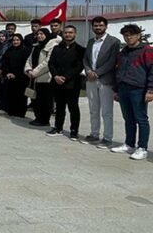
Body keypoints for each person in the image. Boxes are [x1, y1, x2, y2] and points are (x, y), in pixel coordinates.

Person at [110, 24, 152, 160]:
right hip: (123, 89)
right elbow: (118, 70)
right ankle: (129, 144)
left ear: (138, 35)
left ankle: (142, 148)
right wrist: (116, 90)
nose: (128, 38)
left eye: (131, 35)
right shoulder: (123, 52)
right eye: (126, 35)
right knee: (128, 118)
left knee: (141, 119)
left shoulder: (147, 50)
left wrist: (150, 90)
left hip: (138, 89)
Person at [82, 16, 121, 148]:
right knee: (93, 109)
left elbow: (112, 61)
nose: (98, 28)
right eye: (95, 25)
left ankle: (107, 138)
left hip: (105, 80)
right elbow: (86, 59)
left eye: (101, 25)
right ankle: (94, 134)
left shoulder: (114, 42)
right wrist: (88, 71)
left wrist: (97, 73)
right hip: (90, 80)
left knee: (106, 111)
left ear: (106, 26)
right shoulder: (90, 42)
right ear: (92, 27)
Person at [46, 25, 86, 141]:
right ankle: (58, 128)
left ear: (75, 34)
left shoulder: (80, 50)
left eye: (70, 32)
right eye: (66, 33)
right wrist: (56, 76)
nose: (68, 35)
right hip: (57, 82)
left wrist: (65, 77)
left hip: (72, 83)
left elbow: (79, 66)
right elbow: (51, 64)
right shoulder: (57, 48)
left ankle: (74, 131)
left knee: (73, 108)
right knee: (59, 106)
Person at [25, 28, 61, 127]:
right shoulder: (35, 46)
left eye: (42, 34)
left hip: (45, 78)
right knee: (36, 99)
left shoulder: (52, 46)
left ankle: (44, 120)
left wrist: (35, 72)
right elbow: (29, 59)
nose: (40, 36)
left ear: (46, 35)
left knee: (45, 100)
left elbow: (47, 63)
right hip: (34, 77)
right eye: (38, 34)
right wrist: (28, 70)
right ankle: (38, 117)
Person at [0, 34, 30, 117]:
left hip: (22, 77)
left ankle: (20, 112)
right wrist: (7, 73)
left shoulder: (26, 51)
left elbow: (26, 64)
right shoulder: (9, 50)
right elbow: (4, 63)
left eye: (17, 40)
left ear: (21, 41)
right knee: (11, 95)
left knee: (21, 96)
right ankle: (11, 111)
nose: (15, 42)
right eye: (14, 40)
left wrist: (16, 74)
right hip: (10, 77)